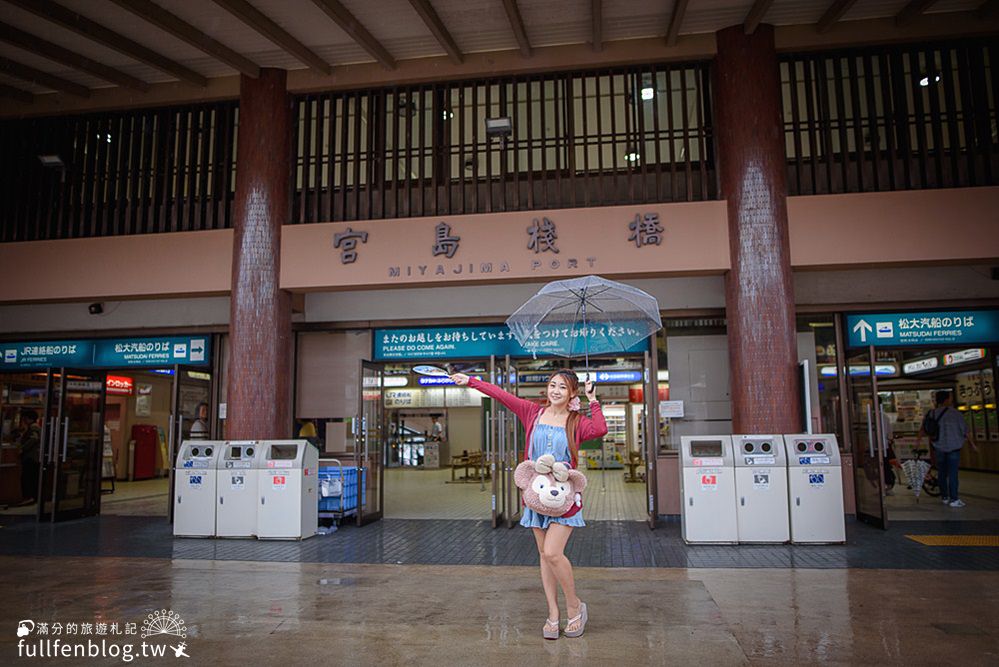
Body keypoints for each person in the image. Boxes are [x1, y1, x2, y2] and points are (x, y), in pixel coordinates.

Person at [452, 369, 606, 640]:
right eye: (552, 385)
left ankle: (574, 606)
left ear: (573, 392)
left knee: (553, 553)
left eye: (562, 387)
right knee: (545, 557)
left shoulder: (576, 421)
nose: (555, 390)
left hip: (564, 496)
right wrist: (471, 381)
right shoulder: (532, 412)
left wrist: (592, 400)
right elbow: (500, 395)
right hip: (536, 495)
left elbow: (600, 429)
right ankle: (553, 614)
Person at [917, 390, 978, 508]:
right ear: (946, 400)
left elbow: (923, 429)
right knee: (953, 473)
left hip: (938, 447)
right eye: (950, 398)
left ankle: (944, 497)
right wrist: (973, 445)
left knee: (942, 472)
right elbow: (966, 431)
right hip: (953, 447)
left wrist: (917, 442)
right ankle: (954, 499)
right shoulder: (956, 414)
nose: (951, 400)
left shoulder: (931, 413)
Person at [18, 410, 41, 505]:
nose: (24, 420)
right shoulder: (33, 427)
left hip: (31, 457)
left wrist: (23, 448)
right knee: (31, 477)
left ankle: (29, 497)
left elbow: (34, 439)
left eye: (25, 418)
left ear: (30, 418)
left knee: (28, 477)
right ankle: (32, 497)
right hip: (33, 457)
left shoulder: (34, 427)